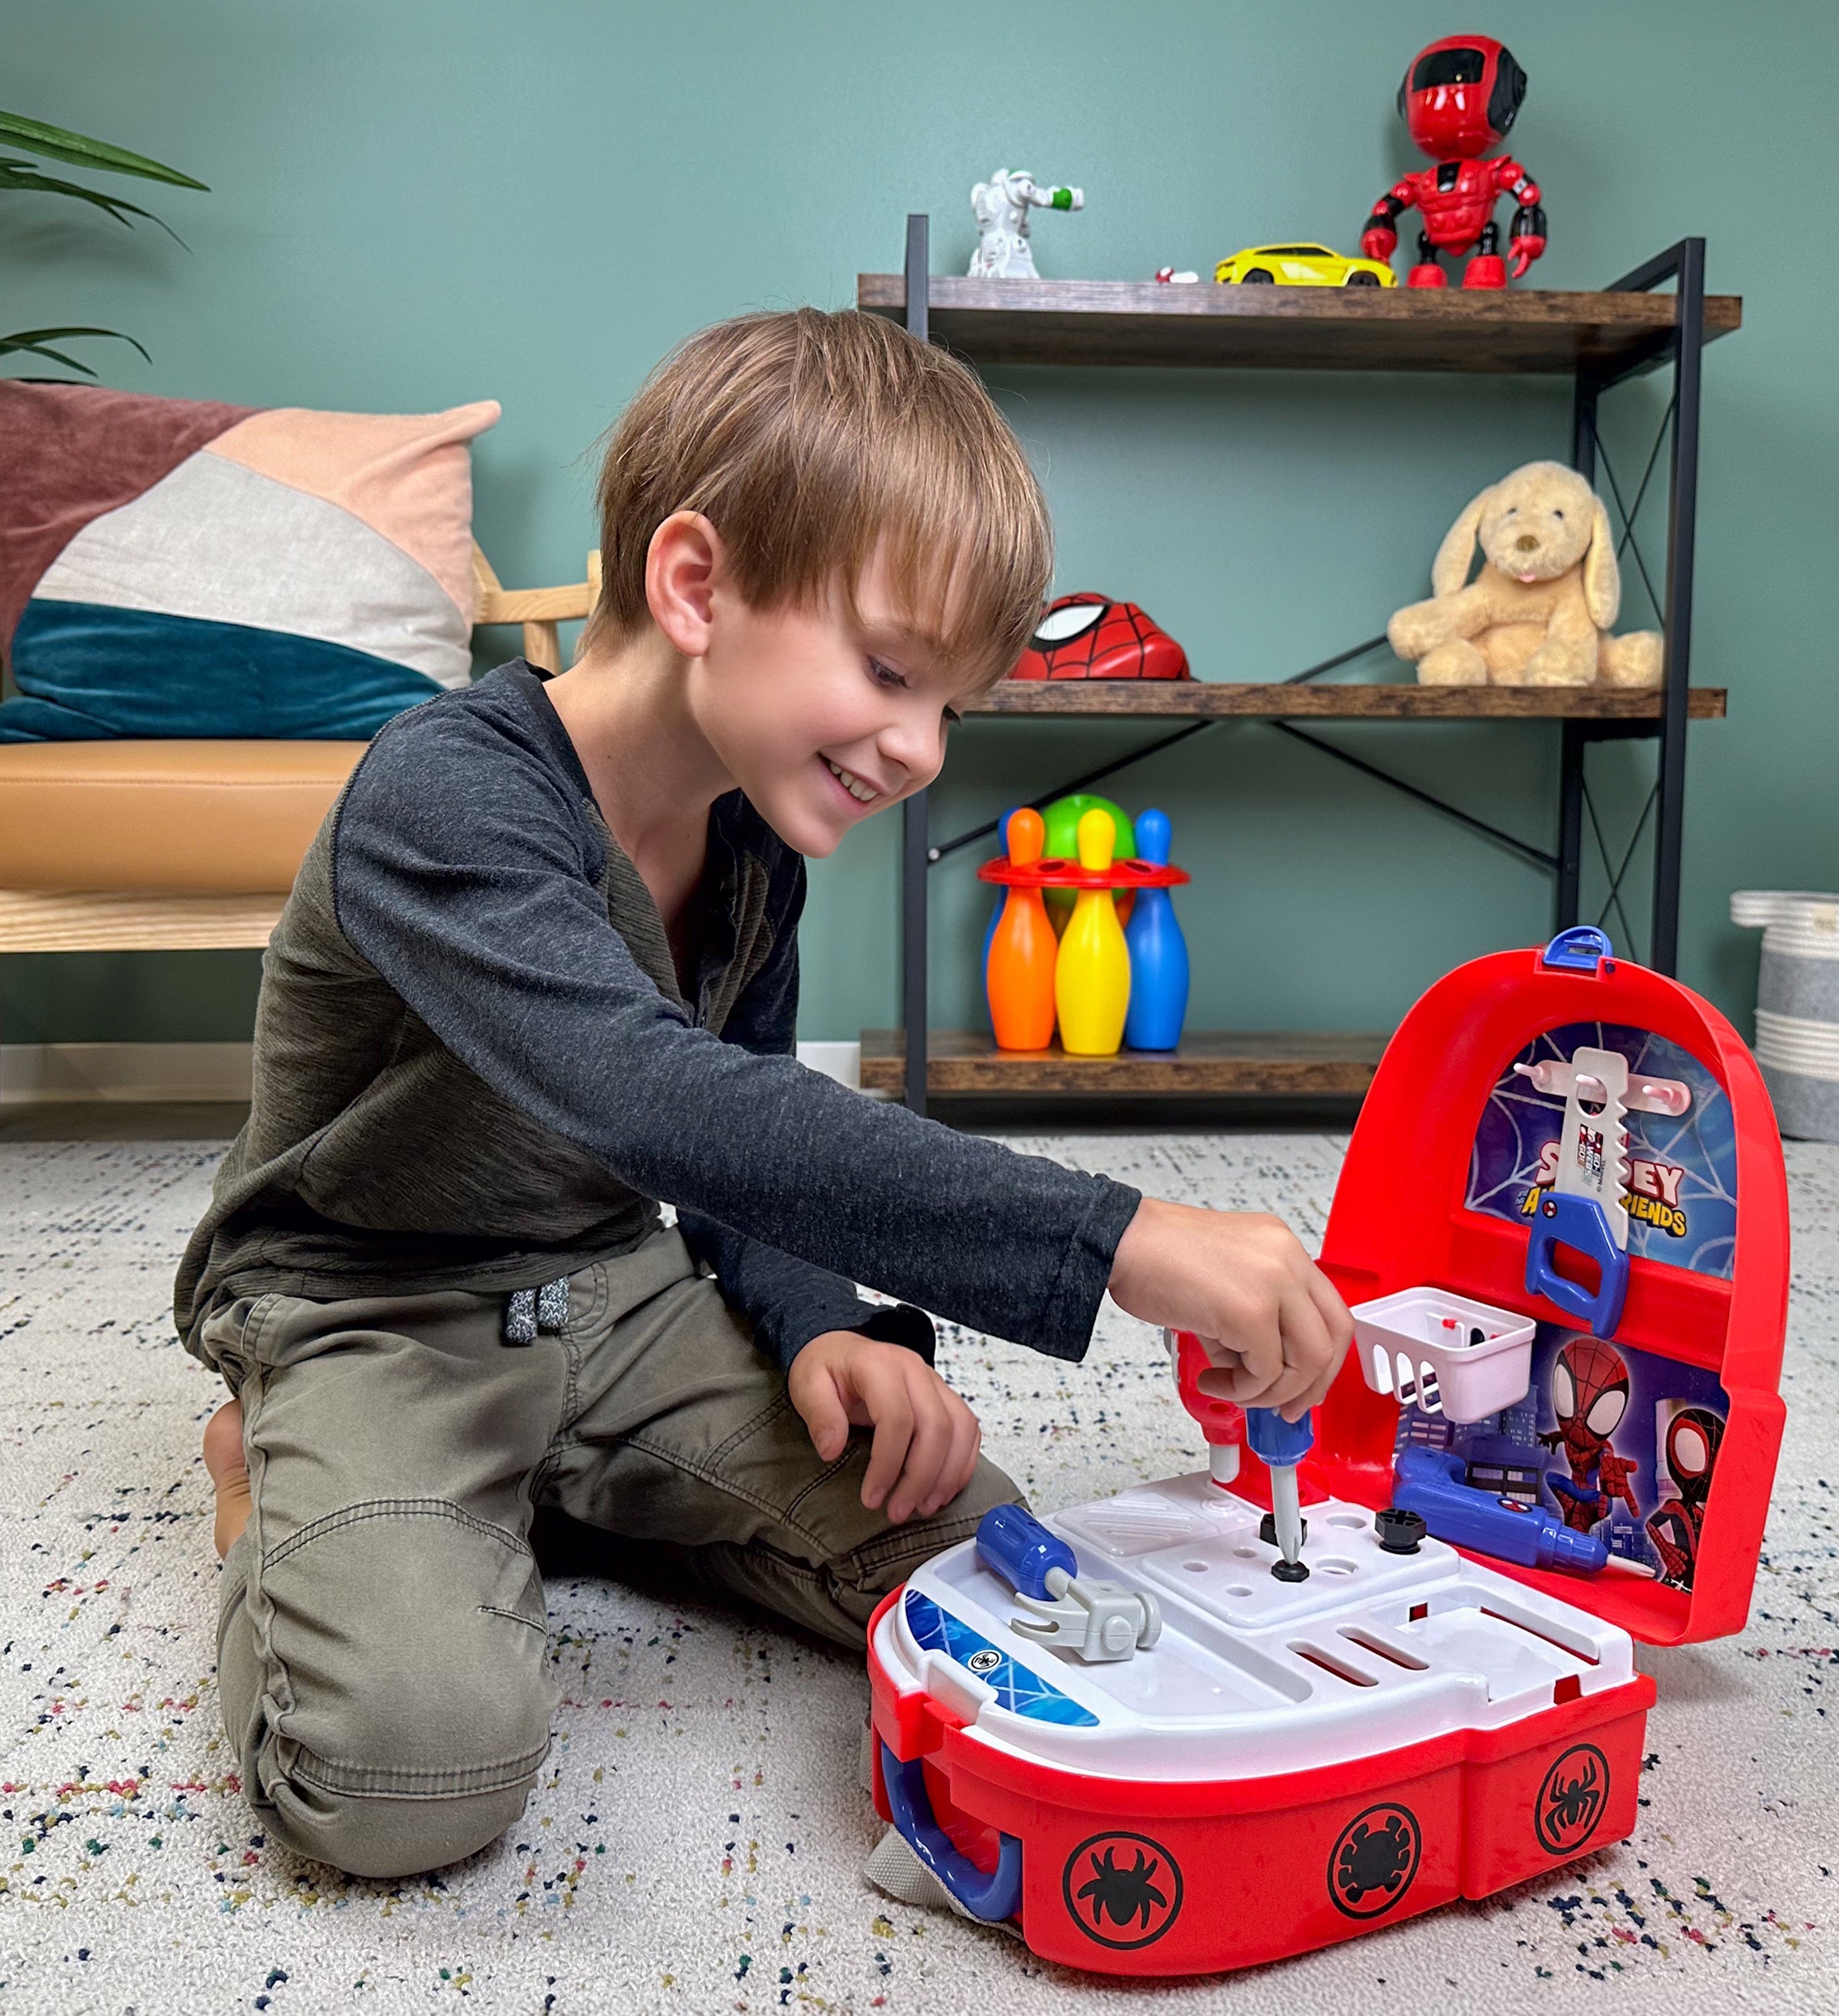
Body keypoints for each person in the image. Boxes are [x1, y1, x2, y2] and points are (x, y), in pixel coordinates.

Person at [177, 308, 1352, 1880]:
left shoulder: (747, 843)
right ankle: (268, 1497)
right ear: (695, 583)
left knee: (972, 1554)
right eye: (888, 670)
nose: (924, 748)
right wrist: (1117, 1238)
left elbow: (742, 1139)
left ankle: (558, 1493)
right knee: (411, 1768)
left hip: (612, 1283)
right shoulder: (444, 792)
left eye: (952, 702)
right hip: (374, 1297)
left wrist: (824, 1330)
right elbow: (655, 1102)